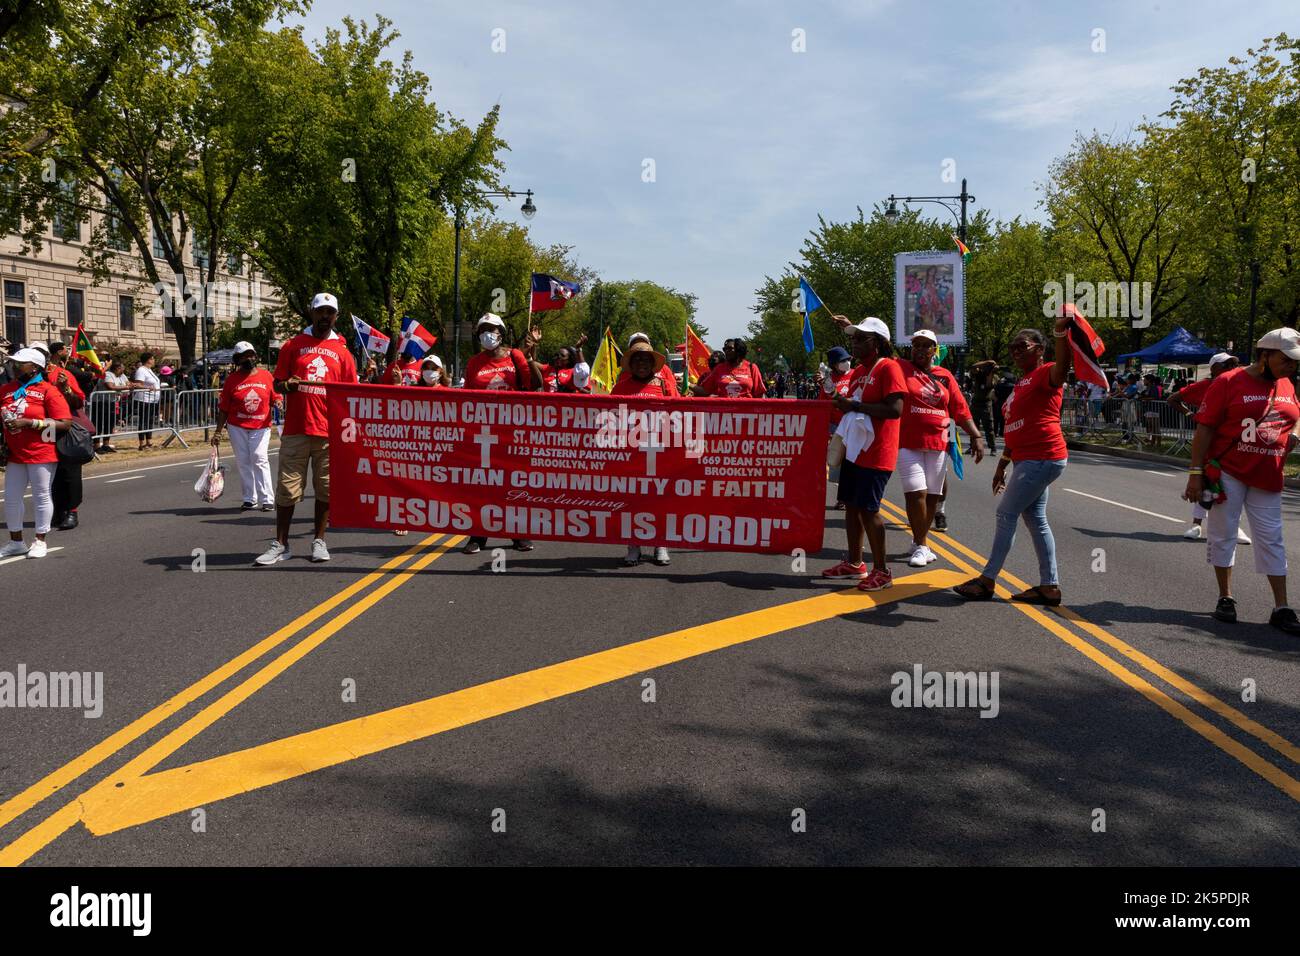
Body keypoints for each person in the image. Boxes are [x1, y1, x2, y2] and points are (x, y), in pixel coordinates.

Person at [1183, 329, 1300, 634]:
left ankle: (1282, 607)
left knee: (1272, 539)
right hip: (1229, 472)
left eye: (1294, 362)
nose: (1291, 366)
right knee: (1223, 534)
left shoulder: (1286, 383)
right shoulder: (1228, 381)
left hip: (1268, 474)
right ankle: (1226, 597)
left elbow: (1295, 413)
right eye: (1285, 360)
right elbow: (1205, 429)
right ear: (1265, 356)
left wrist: (1296, 435)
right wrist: (1196, 474)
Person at [953, 316, 1073, 604]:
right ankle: (1049, 586)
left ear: (1040, 349)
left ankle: (987, 580)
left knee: (1006, 514)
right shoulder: (1021, 382)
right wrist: (1002, 465)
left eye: (1022, 346)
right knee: (1036, 519)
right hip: (1027, 459)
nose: (1016, 351)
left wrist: (1060, 332)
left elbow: (1064, 367)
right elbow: (1015, 426)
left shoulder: (1046, 372)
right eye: (1012, 347)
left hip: (1042, 456)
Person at [255, 292, 358, 566]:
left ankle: (319, 540)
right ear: (312, 313)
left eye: (330, 312)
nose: (325, 317)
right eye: (320, 311)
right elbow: (276, 384)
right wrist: (286, 385)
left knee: (325, 490)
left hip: (328, 432)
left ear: (336, 316)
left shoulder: (344, 352)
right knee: (287, 491)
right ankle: (281, 544)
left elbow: (351, 395)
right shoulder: (293, 345)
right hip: (297, 430)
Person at [820, 316, 905, 591]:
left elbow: (895, 410)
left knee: (869, 510)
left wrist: (854, 407)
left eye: (860, 339)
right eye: (853, 338)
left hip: (877, 451)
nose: (854, 344)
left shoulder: (888, 368)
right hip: (855, 451)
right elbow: (850, 402)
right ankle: (855, 563)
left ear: (878, 343)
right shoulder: (858, 372)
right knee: (852, 507)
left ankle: (882, 571)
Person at [897, 330, 985, 567]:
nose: (921, 350)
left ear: (935, 351)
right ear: (910, 348)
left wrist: (976, 436)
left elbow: (961, 409)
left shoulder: (945, 376)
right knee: (916, 493)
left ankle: (919, 544)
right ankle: (922, 544)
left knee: (933, 496)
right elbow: (880, 346)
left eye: (927, 346)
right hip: (908, 442)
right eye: (916, 345)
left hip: (938, 443)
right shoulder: (901, 368)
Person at [460, 313, 543, 554]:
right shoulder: (474, 362)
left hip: (512, 433)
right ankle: (478, 535)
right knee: (482, 486)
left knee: (513, 484)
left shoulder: (515, 356)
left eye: (492, 328)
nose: (488, 333)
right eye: (483, 329)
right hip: (484, 434)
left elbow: (534, 385)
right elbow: (466, 398)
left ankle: (518, 535)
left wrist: (529, 357)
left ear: (501, 332)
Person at [1168, 352, 1249, 543]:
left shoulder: (1240, 385)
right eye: (1227, 365)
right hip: (1210, 443)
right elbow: (1172, 399)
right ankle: (1197, 525)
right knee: (1208, 481)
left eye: (1233, 365)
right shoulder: (1204, 386)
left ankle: (1234, 527)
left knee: (1233, 487)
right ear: (1214, 368)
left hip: (1233, 444)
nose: (1232, 368)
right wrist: (1191, 415)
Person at [0, 347, 73, 558]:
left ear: (34, 368)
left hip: (41, 451)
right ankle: (16, 543)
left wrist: (30, 423)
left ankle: (40, 540)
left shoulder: (48, 390)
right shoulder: (6, 389)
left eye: (19, 363)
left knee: (41, 495)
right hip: (14, 454)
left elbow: (64, 423)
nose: (14, 366)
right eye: (13, 363)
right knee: (12, 498)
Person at [610, 339, 675, 566]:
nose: (641, 364)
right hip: (631, 455)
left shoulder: (664, 385)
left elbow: (678, 413)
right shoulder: (620, 387)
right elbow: (610, 417)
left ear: (652, 363)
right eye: (637, 359)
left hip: (659, 452)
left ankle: (660, 544)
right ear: (631, 364)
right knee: (632, 501)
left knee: (660, 499)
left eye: (646, 360)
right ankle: (633, 546)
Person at [211, 341, 276, 511]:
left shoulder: (266, 376)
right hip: (237, 426)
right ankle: (250, 498)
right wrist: (218, 431)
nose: (249, 358)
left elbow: (275, 396)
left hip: (261, 424)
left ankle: (267, 498)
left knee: (259, 457)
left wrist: (278, 403)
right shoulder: (232, 380)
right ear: (238, 359)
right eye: (244, 356)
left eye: (251, 355)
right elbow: (224, 408)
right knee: (243, 461)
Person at [692, 338, 766, 398]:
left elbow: (759, 394)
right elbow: (705, 391)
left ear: (739, 350)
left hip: (746, 414)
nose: (726, 351)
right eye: (725, 349)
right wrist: (687, 384)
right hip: (724, 414)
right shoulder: (719, 368)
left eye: (730, 349)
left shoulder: (752, 368)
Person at [96, 359, 131, 453]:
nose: (124, 370)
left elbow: (128, 384)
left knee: (109, 424)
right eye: (122, 368)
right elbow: (111, 386)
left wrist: (130, 385)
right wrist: (127, 387)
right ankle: (96, 446)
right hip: (100, 402)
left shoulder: (121, 375)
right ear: (117, 368)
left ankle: (106, 445)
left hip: (111, 402)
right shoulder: (107, 374)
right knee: (99, 424)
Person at [131, 352, 162, 450]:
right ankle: (141, 444)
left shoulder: (149, 370)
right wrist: (148, 387)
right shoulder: (141, 370)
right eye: (152, 358)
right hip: (144, 399)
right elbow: (137, 384)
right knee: (143, 421)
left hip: (152, 400)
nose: (154, 360)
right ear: (148, 360)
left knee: (149, 421)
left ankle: (149, 442)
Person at [968, 360, 998, 454]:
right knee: (973, 427)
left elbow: (989, 384)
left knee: (989, 428)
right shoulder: (978, 374)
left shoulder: (995, 376)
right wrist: (987, 362)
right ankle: (972, 446)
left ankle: (992, 448)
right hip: (975, 403)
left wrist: (991, 372)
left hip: (986, 404)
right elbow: (973, 366)